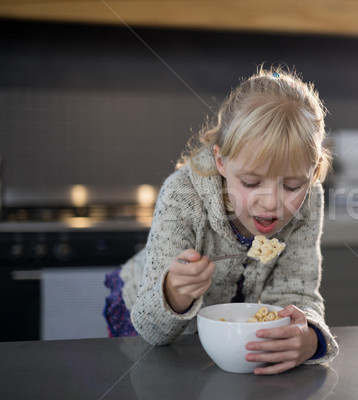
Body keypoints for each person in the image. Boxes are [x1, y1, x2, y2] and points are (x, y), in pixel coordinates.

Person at [104, 65, 339, 375]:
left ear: (314, 170)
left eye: (292, 186)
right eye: (252, 182)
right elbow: (151, 329)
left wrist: (308, 337)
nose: (271, 202)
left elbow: (296, 294)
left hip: (234, 338)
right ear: (221, 161)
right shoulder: (182, 195)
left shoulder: (311, 200)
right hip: (144, 317)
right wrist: (174, 293)